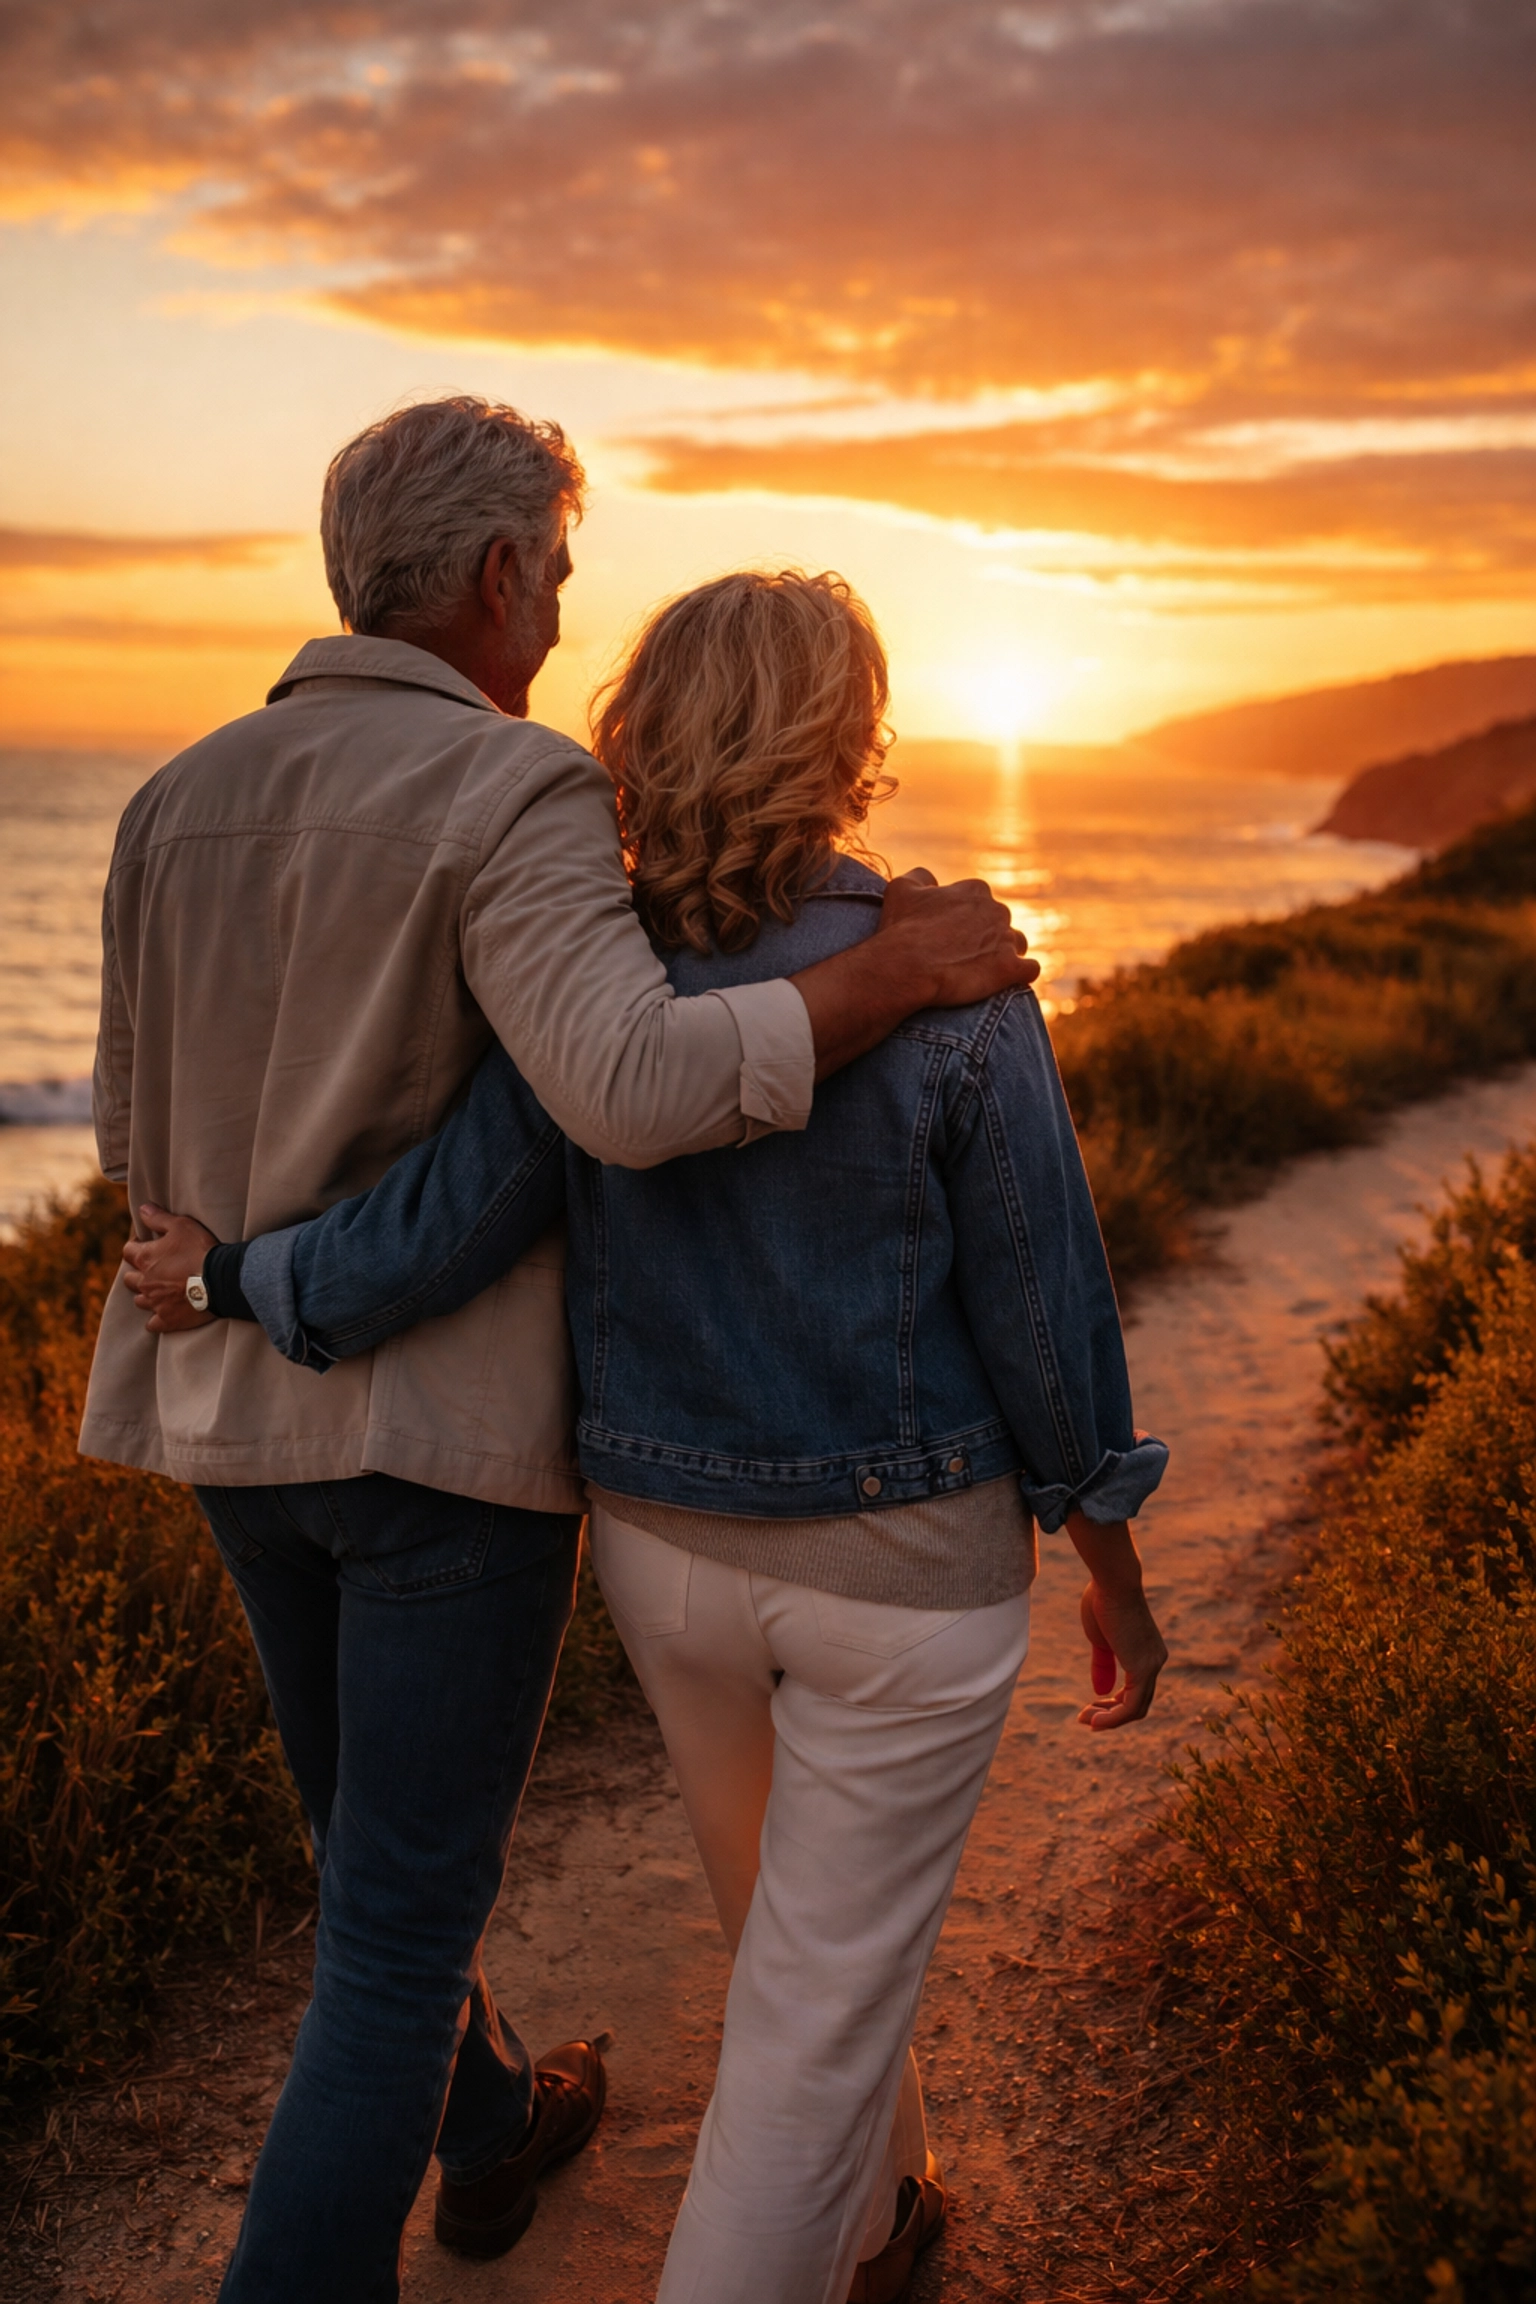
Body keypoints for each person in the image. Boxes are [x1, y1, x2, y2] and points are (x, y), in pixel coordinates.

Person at [83, 399, 1035, 2304]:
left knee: (367, 1853)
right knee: (395, 1934)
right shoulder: (508, 786)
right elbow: (624, 1087)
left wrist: (230, 1273)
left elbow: (129, 1140)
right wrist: (888, 972)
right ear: (503, 572)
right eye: (560, 574)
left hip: (236, 1432)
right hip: (434, 1455)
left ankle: (493, 2125)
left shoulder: (169, 798)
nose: (560, 613)